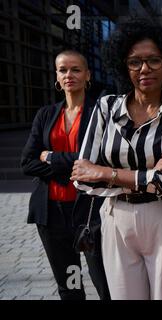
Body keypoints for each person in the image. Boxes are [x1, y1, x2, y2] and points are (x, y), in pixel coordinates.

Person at [70, 18, 162, 300]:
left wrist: (107, 172)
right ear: (123, 66)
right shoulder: (105, 107)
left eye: (154, 60)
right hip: (116, 216)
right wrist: (150, 174)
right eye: (134, 62)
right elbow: (81, 176)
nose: (144, 69)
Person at [21, 50, 110, 300]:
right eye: (62, 70)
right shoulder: (46, 114)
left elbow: (100, 159)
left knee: (105, 282)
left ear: (88, 75)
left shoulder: (100, 114)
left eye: (75, 69)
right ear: (57, 77)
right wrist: (76, 166)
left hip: (91, 212)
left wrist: (50, 157)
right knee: (68, 285)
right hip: (51, 212)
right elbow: (27, 162)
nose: (68, 75)